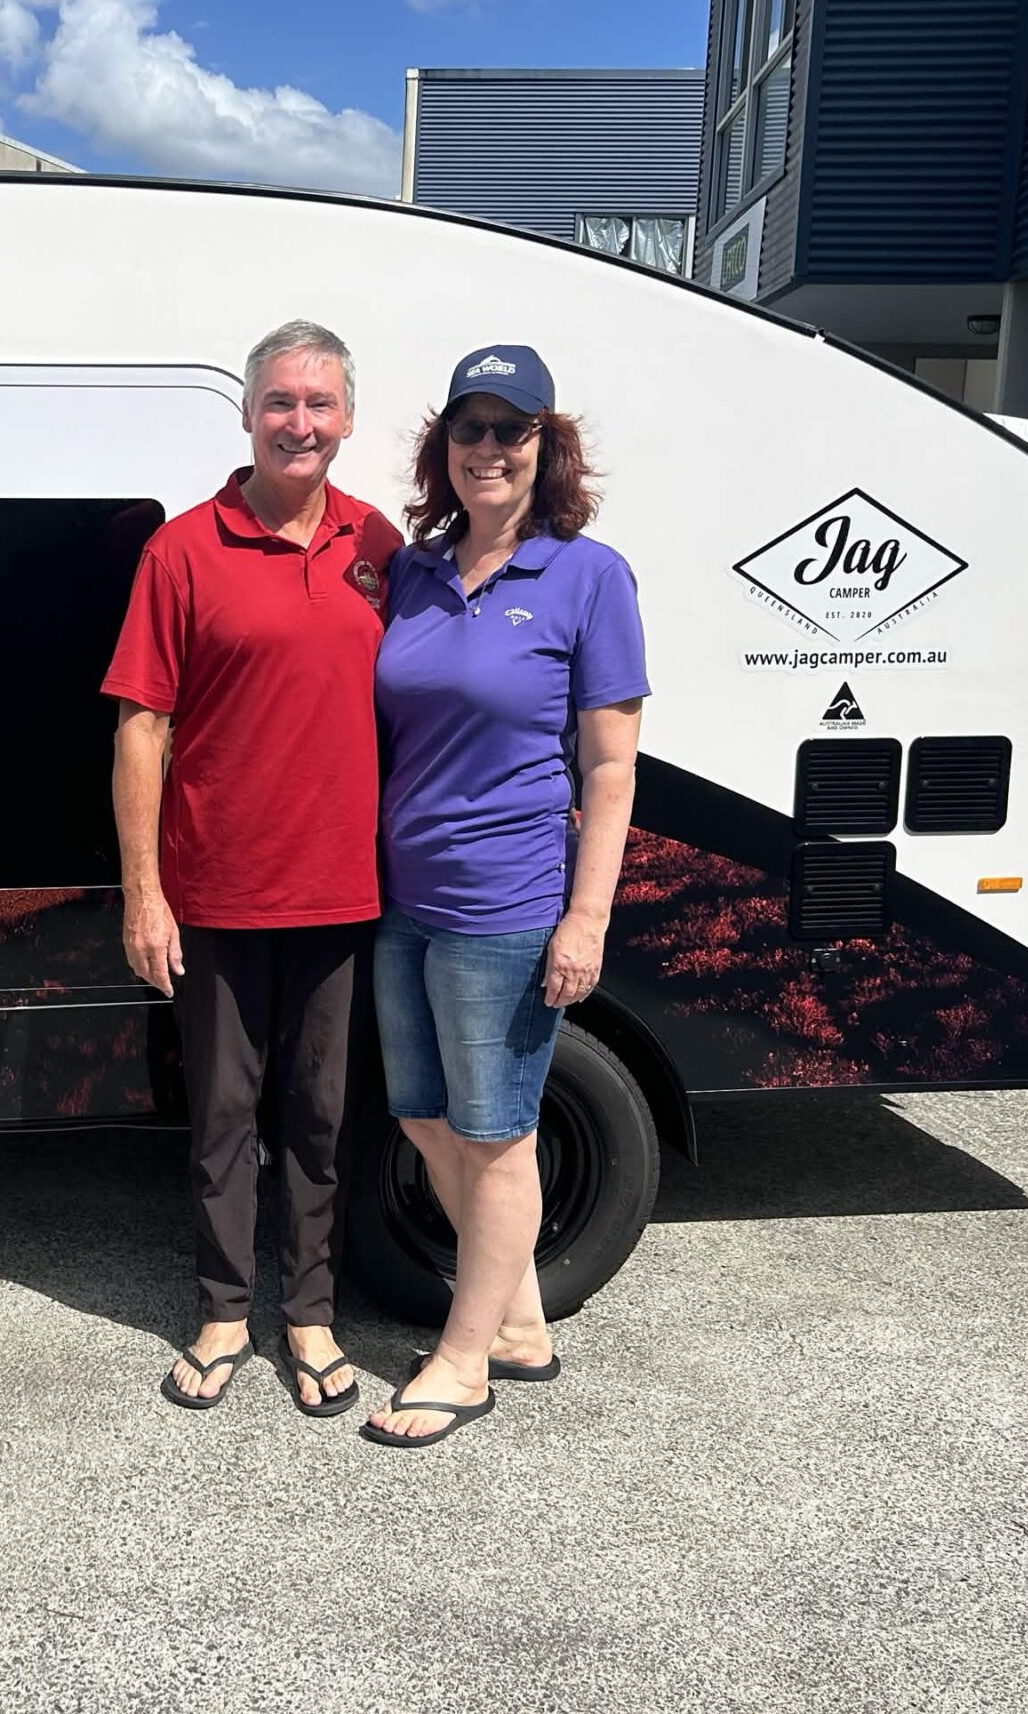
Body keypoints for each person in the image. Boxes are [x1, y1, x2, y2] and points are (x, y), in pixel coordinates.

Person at [103, 319, 402, 1418]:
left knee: (322, 1117)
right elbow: (141, 728)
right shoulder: (183, 550)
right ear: (245, 414)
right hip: (218, 893)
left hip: (345, 891)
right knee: (225, 1117)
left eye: (319, 403)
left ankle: (311, 1314)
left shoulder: (382, 546)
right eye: (280, 401)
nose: (299, 423)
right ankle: (225, 1310)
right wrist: (145, 896)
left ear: (348, 418)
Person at [360, 343, 647, 1449]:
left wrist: (587, 917)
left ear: (545, 446)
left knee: (496, 1138)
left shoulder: (588, 576)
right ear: (444, 446)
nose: (488, 448)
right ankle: (521, 1321)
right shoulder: (415, 572)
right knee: (423, 1117)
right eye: (469, 428)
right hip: (405, 897)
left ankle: (463, 1360)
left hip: (508, 904)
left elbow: (611, 767)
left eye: (510, 429)